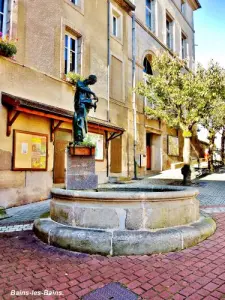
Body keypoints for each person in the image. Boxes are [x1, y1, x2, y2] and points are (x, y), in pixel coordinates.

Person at [73, 75, 98, 144]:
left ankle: (81, 138)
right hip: (79, 105)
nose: (91, 84)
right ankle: (78, 138)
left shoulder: (88, 89)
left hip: (84, 107)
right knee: (79, 120)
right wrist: (93, 93)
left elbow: (88, 101)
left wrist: (93, 104)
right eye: (92, 82)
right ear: (89, 79)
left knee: (83, 122)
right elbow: (81, 88)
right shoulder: (79, 83)